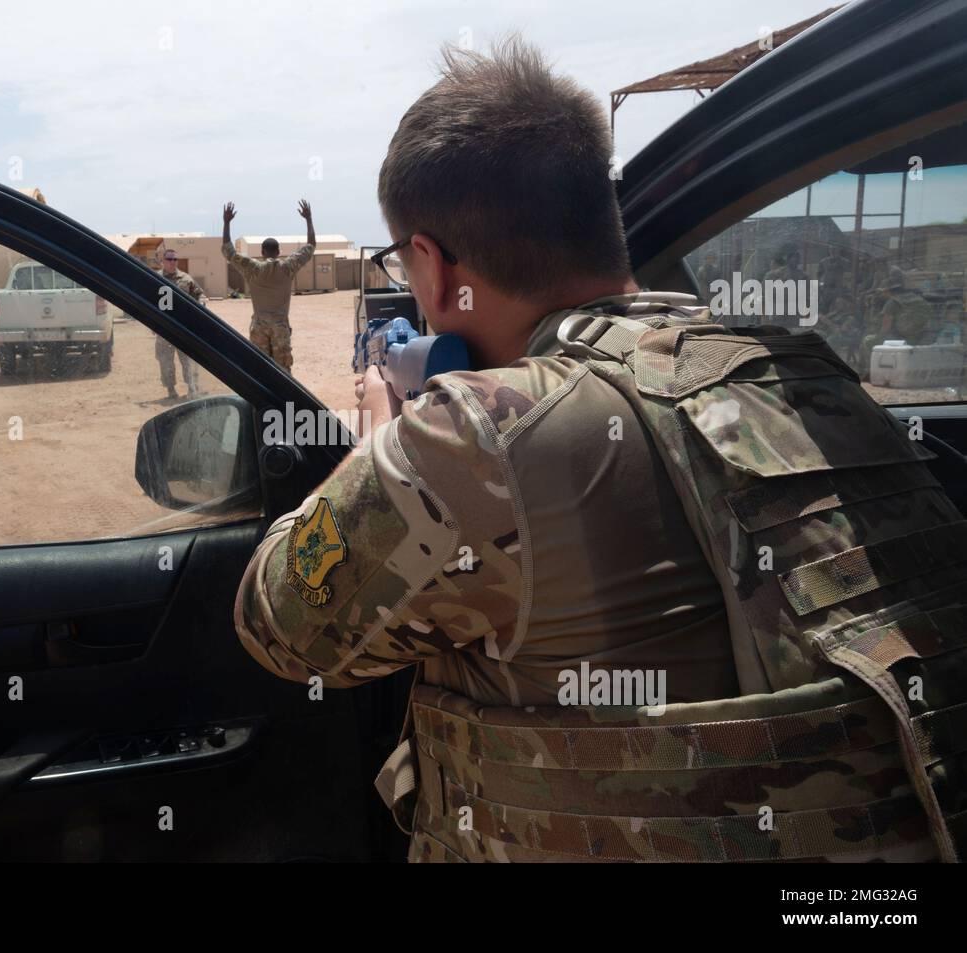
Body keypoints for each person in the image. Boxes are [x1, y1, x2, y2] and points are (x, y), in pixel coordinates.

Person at [233, 36, 966, 863]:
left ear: (432, 270)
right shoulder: (805, 376)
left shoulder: (476, 432)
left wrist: (381, 431)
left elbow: (279, 627)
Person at [221, 200, 315, 372]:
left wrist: (226, 222)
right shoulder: (288, 267)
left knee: (260, 371)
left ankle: (261, 400)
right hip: (280, 327)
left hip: (259, 327)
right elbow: (311, 246)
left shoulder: (253, 268)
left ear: (262, 252)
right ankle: (287, 401)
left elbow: (228, 251)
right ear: (278, 252)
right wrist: (308, 219)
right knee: (284, 373)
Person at [155, 248, 205, 399]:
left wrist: (201, 303)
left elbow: (199, 293)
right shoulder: (155, 278)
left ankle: (191, 388)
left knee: (187, 359)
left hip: (184, 328)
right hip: (164, 328)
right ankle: (171, 390)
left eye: (174, 259)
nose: (172, 262)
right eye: (169, 259)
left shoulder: (186, 279)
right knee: (165, 360)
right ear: (162, 261)